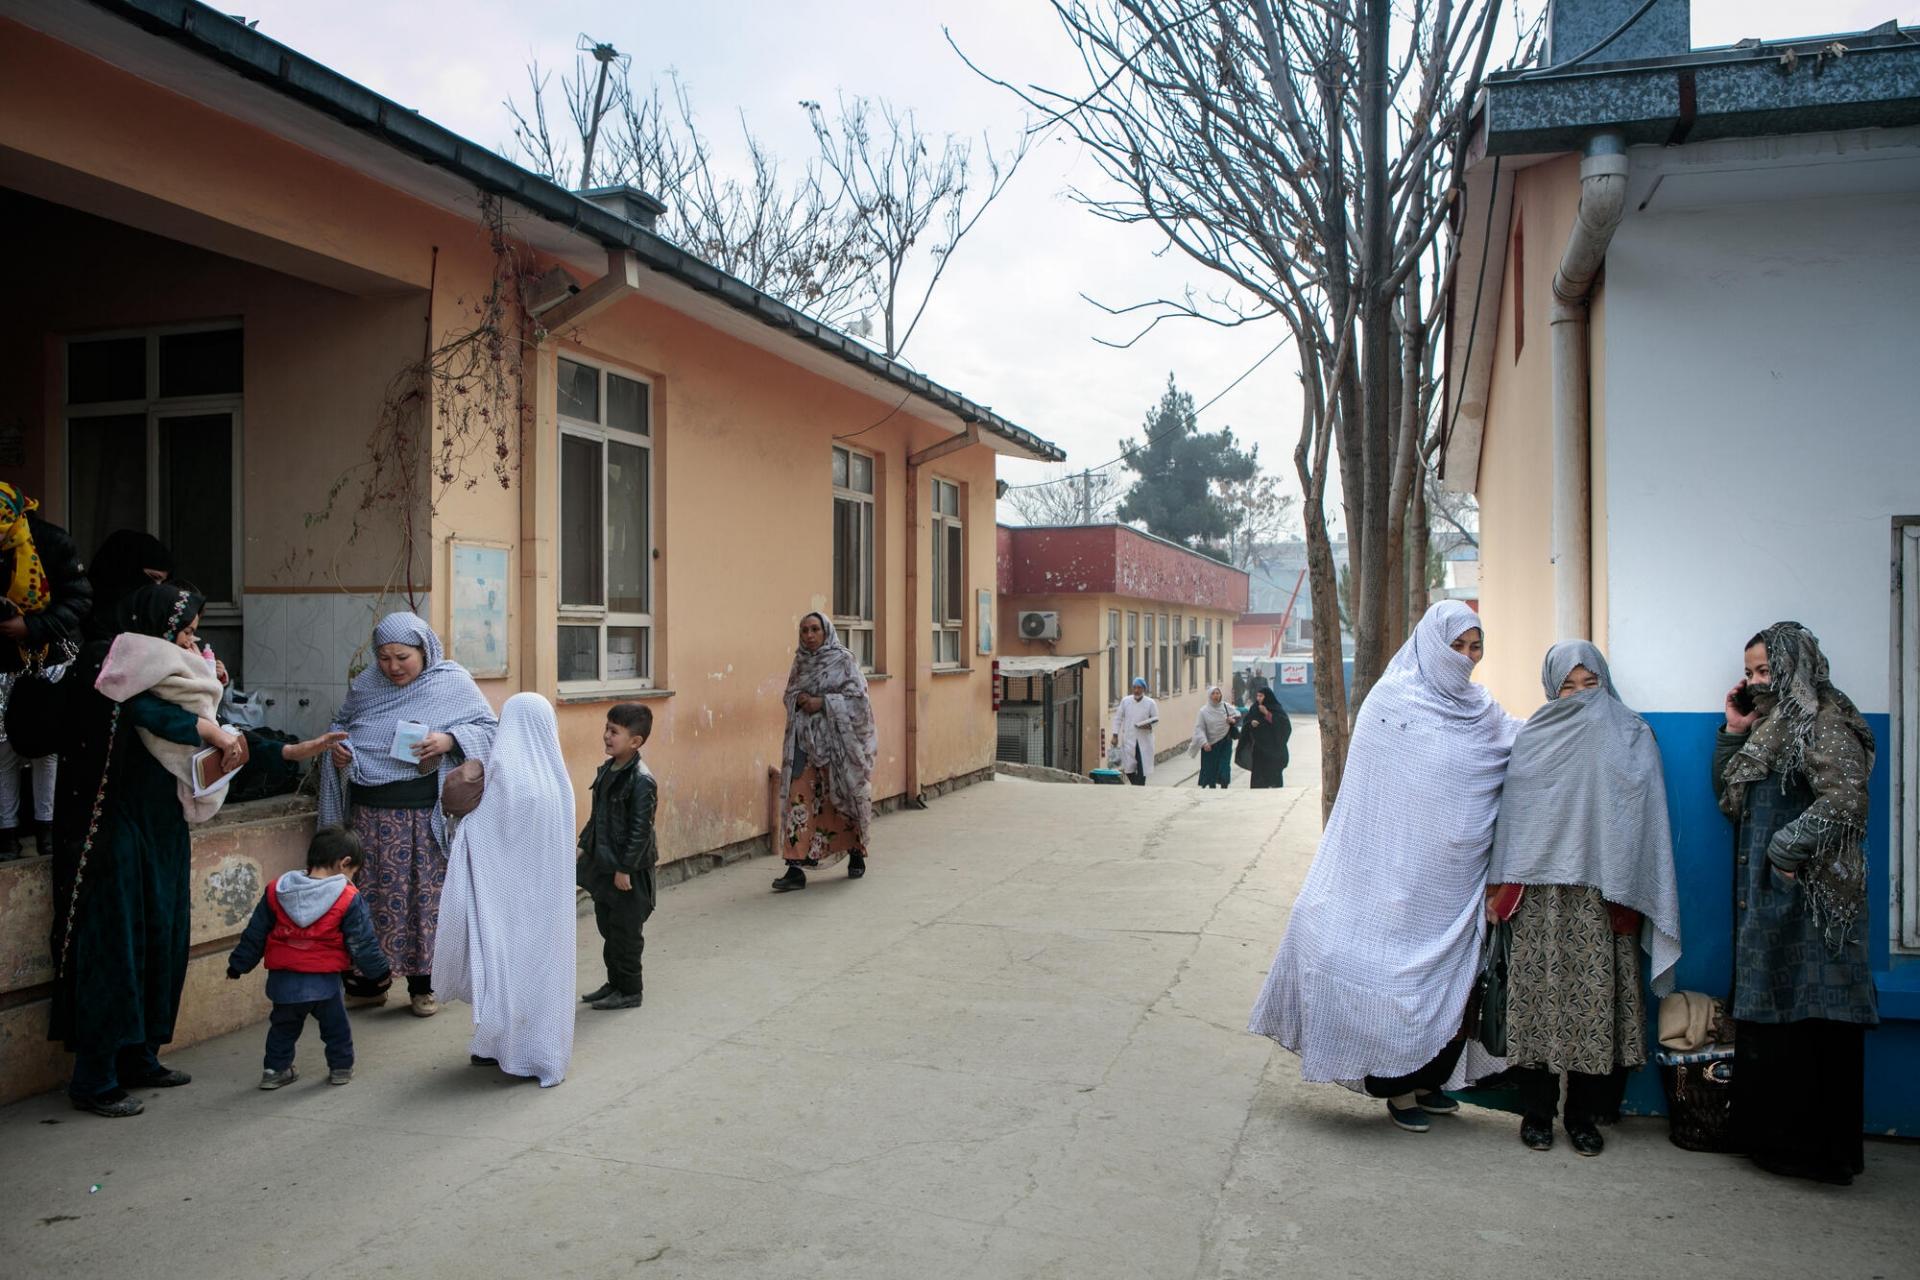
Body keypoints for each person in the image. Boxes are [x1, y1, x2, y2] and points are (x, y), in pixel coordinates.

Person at [1248, 601, 1520, 1132]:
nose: (1465, 658)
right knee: (1387, 973)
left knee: (1451, 983)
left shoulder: (1482, 709)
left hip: (1455, 877)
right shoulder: (1392, 703)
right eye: (1455, 647)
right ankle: (1396, 1089)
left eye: (1474, 647)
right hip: (1392, 872)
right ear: (1429, 646)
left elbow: (1521, 744)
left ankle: (1427, 1081)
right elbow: (1370, 799)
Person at [46, 583, 246, 1117]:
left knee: (162, 936)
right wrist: (209, 726)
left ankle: (140, 1056)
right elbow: (143, 713)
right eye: (184, 628)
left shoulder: (177, 671)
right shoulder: (108, 662)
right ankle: (94, 1077)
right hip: (109, 828)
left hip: (160, 828)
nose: (192, 638)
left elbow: (187, 719)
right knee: (115, 947)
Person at [1486, 641, 1681, 1157]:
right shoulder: (1534, 737)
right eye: (1567, 687)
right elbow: (1516, 815)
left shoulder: (1632, 734)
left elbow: (1642, 816)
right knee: (1537, 1001)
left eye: (1589, 684)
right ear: (1551, 690)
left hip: (1602, 892)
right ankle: (1536, 1113)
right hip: (1540, 895)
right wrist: (1500, 882)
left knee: (1594, 1004)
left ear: (1605, 682)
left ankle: (1582, 1116)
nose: (1578, 696)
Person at [1714, 621, 1878, 1186]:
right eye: (1751, 672)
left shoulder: (1825, 720)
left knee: (1814, 1015)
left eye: (1768, 671)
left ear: (1795, 667)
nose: (1758, 682)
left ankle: (1817, 1154)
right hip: (1773, 897)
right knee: (1778, 1014)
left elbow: (1847, 800)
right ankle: (1775, 1145)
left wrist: (1786, 850)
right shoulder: (1773, 726)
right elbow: (1732, 801)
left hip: (1815, 898)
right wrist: (1735, 731)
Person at [318, 612, 498, 1017]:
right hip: (367, 816)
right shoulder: (367, 685)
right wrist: (340, 750)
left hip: (423, 818)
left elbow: (488, 729)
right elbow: (342, 725)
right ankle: (368, 983)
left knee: (424, 900)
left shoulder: (451, 682)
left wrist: (449, 738)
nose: (393, 667)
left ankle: (424, 986)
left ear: (424, 650)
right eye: (384, 657)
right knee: (369, 899)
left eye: (402, 656)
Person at [434, 693, 577, 1086]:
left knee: (501, 974)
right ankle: (542, 1050)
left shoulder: (504, 779)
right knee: (542, 975)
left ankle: (504, 1047)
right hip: (546, 905)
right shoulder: (558, 782)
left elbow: (476, 833)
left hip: (504, 903)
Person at [225, 825, 390, 1089]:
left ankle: (274, 1071)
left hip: (284, 981)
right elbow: (362, 942)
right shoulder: (347, 897)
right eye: (353, 872)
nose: (351, 878)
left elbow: (255, 934)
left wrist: (238, 965)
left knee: (282, 1028)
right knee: (336, 1029)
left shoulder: (276, 890)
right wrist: (380, 974)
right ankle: (340, 1068)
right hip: (324, 983)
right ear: (344, 863)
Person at [772, 612, 875, 893]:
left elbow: (859, 701)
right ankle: (794, 868)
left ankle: (855, 851)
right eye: (804, 630)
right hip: (804, 744)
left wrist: (823, 703)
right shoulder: (801, 661)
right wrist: (798, 699)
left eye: (815, 629)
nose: (809, 635)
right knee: (798, 799)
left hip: (838, 747)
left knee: (841, 797)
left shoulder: (843, 660)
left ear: (826, 631)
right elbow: (788, 694)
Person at [576, 702, 659, 1010]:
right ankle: (614, 984)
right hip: (605, 867)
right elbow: (597, 818)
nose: (606, 736)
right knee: (608, 929)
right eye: (606, 729)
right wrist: (581, 847)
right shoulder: (608, 770)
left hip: (628, 872)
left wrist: (625, 868)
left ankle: (630, 990)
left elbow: (641, 831)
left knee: (626, 934)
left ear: (635, 742)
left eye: (614, 731)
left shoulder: (641, 780)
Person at [1238, 687, 1291, 789]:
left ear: (1267, 697)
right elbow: (1246, 723)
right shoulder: (1254, 708)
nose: (1258, 698)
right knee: (1259, 777)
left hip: (1274, 748)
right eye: (1257, 696)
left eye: (1261, 696)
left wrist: (1267, 714)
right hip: (1259, 748)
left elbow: (1285, 726)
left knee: (1274, 774)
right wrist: (1251, 724)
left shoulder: (1276, 708)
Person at [1110, 677, 1159, 786]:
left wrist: (1149, 726)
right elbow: (1118, 718)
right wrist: (1115, 735)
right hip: (1129, 739)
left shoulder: (1150, 703)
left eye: (1139, 688)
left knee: (1143, 768)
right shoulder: (1125, 701)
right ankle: (1137, 786)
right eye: (1135, 688)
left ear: (1144, 689)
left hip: (1144, 741)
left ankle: (1139, 787)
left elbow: (1155, 719)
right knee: (1128, 768)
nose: (1136, 690)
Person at [1189, 686, 1239, 789]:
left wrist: (1232, 720)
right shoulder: (1204, 711)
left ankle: (1224, 786)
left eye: (1218, 693)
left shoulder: (1226, 706)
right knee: (1210, 767)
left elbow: (1237, 715)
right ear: (1209, 696)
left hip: (1225, 742)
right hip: (1210, 744)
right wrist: (1204, 742)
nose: (1216, 696)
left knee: (1224, 766)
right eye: (1213, 693)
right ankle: (1212, 787)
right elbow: (1199, 728)